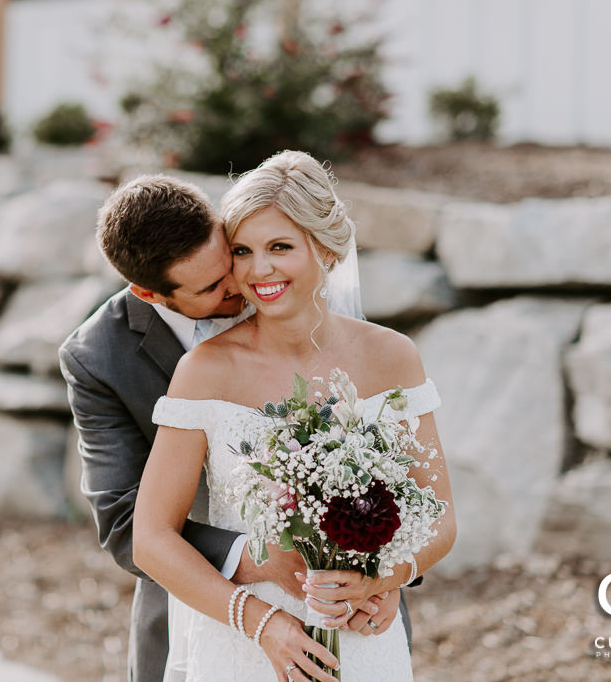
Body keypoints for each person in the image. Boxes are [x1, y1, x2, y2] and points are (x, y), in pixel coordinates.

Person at [59, 174, 407, 682]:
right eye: (210, 287)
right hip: (203, 609)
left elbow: (384, 463)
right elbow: (124, 522)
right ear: (149, 292)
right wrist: (258, 564)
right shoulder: (98, 357)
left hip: (348, 602)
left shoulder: (289, 287)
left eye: (232, 259)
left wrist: (384, 572)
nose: (241, 285)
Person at [133, 151, 457, 682]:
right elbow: (150, 539)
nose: (259, 270)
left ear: (326, 249)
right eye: (243, 251)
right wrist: (262, 624)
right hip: (243, 646)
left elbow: (440, 518)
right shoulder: (204, 371)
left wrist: (384, 579)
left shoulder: (393, 357)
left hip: (361, 637)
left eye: (279, 247)